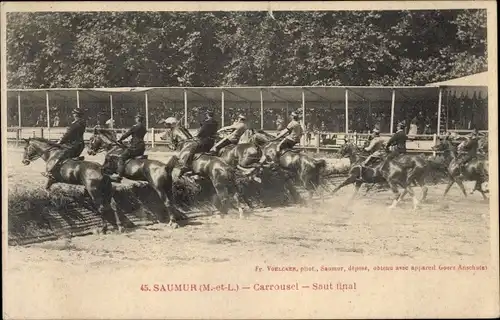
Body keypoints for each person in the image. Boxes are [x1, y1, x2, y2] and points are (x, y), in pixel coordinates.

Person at [43, 108, 86, 181]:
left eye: (74, 113)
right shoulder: (81, 123)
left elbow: (68, 134)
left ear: (76, 115)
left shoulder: (76, 124)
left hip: (73, 144)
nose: (73, 114)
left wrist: (60, 141)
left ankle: (50, 172)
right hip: (79, 144)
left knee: (59, 154)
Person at [179, 110, 218, 177]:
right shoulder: (216, 122)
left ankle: (186, 165)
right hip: (211, 142)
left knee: (192, 149)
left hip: (204, 142)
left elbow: (201, 132)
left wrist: (197, 136)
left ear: (207, 115)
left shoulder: (206, 122)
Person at [112, 114, 147, 180]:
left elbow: (127, 134)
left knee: (122, 157)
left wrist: (120, 139)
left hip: (135, 146)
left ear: (138, 119)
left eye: (136, 118)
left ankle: (119, 175)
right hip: (142, 146)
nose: (135, 119)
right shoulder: (144, 127)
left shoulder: (135, 126)